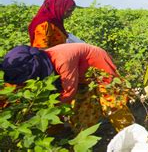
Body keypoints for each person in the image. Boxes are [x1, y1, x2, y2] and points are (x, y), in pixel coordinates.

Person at [0, 43, 134, 133]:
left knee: (112, 100)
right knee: (82, 103)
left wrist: (49, 110)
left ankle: (129, 133)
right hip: (79, 72)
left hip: (97, 63)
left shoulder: (62, 60)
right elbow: (15, 87)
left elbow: (69, 92)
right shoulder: (40, 60)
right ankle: (83, 134)